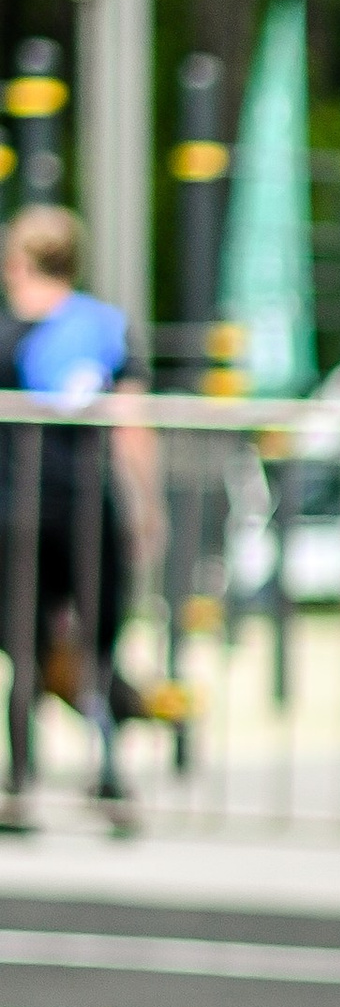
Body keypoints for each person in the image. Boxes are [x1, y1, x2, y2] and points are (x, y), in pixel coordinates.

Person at [0, 205, 156, 826]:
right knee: (97, 644)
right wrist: (147, 506)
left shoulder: (6, 329)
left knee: (23, 647)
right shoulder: (106, 326)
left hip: (13, 507)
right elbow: (132, 425)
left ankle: (18, 782)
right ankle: (111, 773)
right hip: (89, 506)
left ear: (19, 261)